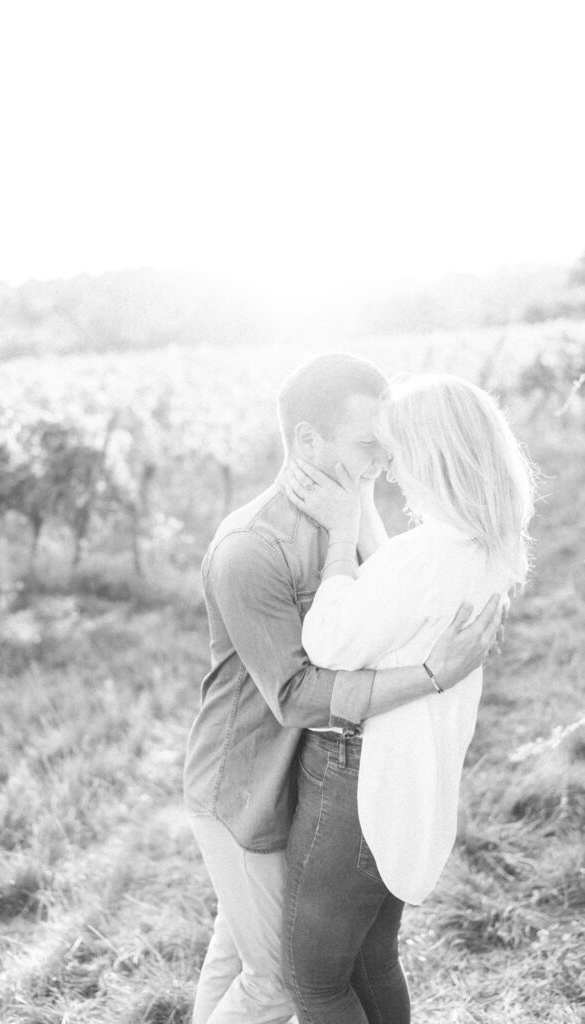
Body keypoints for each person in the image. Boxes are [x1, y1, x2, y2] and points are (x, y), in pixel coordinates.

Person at [183, 354, 504, 1024]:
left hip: (306, 778)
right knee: (271, 980)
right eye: (369, 448)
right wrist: (427, 678)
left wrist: (350, 522)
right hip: (248, 787)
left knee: (240, 958)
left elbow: (387, 586)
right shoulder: (251, 548)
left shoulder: (349, 519)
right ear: (306, 442)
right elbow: (299, 694)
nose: (385, 465)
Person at [281, 373, 535, 1024]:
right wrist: (360, 505)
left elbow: (330, 641)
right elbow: (399, 605)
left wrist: (340, 537)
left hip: (361, 780)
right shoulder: (482, 544)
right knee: (370, 959)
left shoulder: (426, 557)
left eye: (397, 455)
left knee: (311, 977)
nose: (391, 472)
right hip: (410, 774)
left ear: (431, 457)